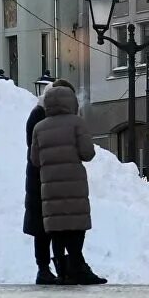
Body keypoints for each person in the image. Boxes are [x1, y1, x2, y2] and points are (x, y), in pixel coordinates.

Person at [29, 81, 107, 285]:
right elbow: (87, 153)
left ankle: (62, 273)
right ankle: (75, 267)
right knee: (75, 226)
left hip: (49, 186)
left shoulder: (39, 126)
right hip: (74, 185)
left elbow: (35, 159)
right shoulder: (76, 122)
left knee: (56, 228)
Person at [23, 90, 56, 285]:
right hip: (40, 177)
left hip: (43, 176)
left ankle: (47, 267)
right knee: (43, 227)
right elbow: (34, 148)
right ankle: (44, 268)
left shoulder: (40, 114)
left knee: (48, 226)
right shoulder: (39, 116)